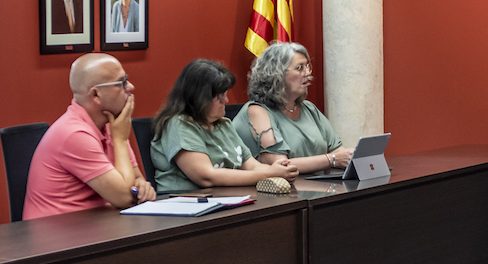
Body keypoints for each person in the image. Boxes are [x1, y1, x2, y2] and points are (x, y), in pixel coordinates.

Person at [23, 53, 155, 219]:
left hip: (97, 223)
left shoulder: (112, 125)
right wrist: (120, 140)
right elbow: (124, 198)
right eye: (121, 83)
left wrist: (142, 186)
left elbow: (135, 179)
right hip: (59, 231)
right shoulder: (74, 134)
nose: (130, 87)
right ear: (96, 95)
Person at [150, 59, 299, 193]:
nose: (226, 101)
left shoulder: (224, 124)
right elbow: (207, 177)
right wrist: (269, 174)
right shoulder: (179, 124)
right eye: (220, 96)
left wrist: (279, 169)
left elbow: (252, 166)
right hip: (187, 204)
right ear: (200, 97)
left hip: (228, 199)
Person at [231, 42, 353, 174]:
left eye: (307, 67)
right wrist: (331, 159)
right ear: (276, 74)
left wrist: (351, 157)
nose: (307, 73)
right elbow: (280, 165)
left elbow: (339, 152)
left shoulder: (309, 109)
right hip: (282, 186)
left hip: (318, 185)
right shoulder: (257, 112)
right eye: (299, 68)